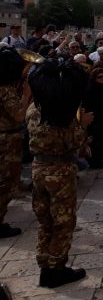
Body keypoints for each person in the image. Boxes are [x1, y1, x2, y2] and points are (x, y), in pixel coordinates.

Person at [27, 60, 93, 288]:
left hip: (38, 168)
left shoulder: (34, 110)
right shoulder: (64, 120)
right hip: (60, 171)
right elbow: (76, 145)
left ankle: (45, 265)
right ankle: (57, 268)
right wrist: (83, 125)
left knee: (45, 221)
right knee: (63, 222)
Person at [0, 47, 31, 238]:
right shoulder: (5, 90)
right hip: (6, 139)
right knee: (5, 183)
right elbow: (19, 116)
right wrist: (27, 95)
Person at [83, 68, 103, 169]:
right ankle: (94, 161)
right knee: (95, 140)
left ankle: (101, 157)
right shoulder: (90, 89)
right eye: (100, 77)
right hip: (95, 118)